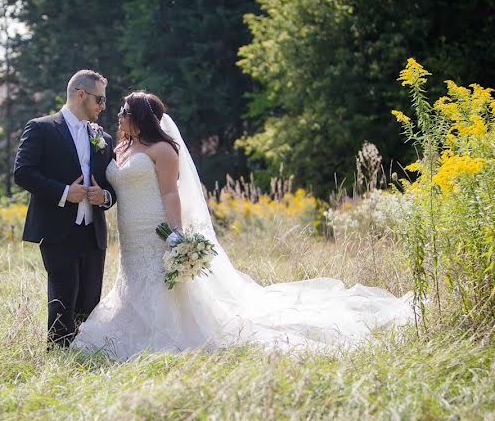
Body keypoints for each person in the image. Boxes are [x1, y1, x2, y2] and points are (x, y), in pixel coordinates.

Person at [72, 91, 414, 360]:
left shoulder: (163, 150)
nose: (117, 115)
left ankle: (167, 336)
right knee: (133, 279)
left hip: (155, 229)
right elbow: (118, 183)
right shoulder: (121, 147)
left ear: (140, 117)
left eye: (123, 111)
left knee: (162, 285)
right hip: (129, 233)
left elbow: (169, 194)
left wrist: (176, 234)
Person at [13, 69, 117, 348]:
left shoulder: (103, 138)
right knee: (63, 300)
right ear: (81, 95)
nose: (103, 106)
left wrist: (103, 196)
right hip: (57, 229)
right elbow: (23, 173)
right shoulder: (42, 128)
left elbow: (112, 186)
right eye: (100, 99)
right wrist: (64, 193)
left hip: (93, 232)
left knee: (90, 301)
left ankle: (86, 356)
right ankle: (59, 357)